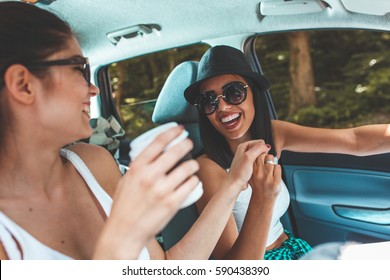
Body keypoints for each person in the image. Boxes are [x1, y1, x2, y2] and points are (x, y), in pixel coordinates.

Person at [0, 2, 278, 260]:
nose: (93, 88)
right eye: (79, 69)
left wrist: (233, 185)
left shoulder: (93, 162)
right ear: (24, 85)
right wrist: (124, 233)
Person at [183, 45, 390, 260]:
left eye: (234, 93)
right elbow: (233, 269)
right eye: (209, 100)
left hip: (295, 247)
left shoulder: (272, 134)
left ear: (253, 91)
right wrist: (262, 198)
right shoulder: (208, 168)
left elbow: (354, 140)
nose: (223, 107)